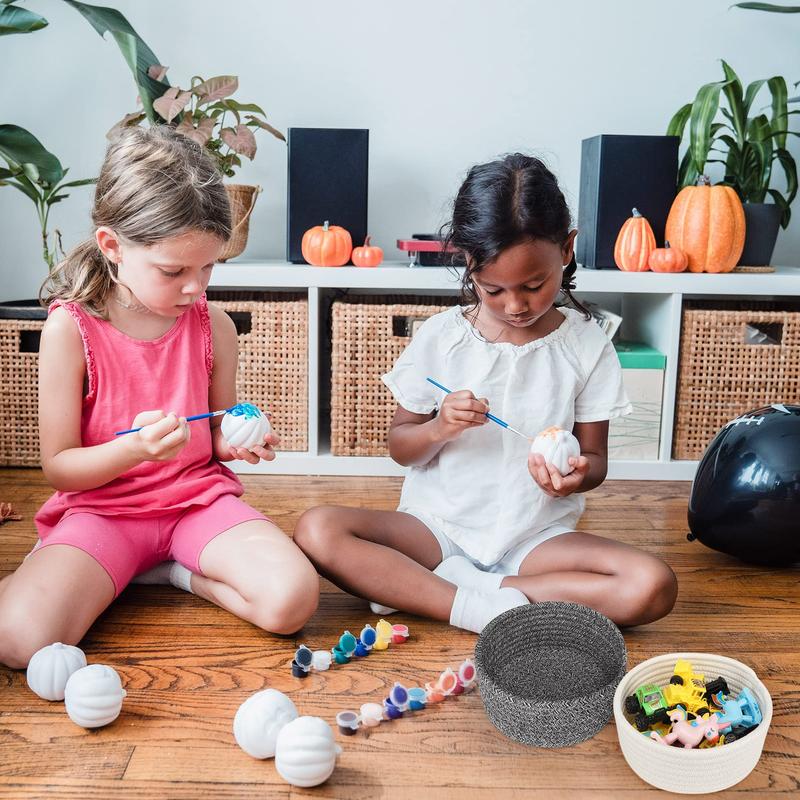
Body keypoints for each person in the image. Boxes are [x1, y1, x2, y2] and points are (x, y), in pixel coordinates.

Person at [294, 153, 677, 633]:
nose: (515, 305)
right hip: (436, 529)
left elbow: (595, 460)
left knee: (652, 584)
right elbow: (401, 448)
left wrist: (576, 476)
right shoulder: (442, 337)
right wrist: (438, 427)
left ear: (567, 249)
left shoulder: (587, 344)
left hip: (535, 539)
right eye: (492, 289)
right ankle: (474, 608)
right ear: (467, 262)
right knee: (317, 529)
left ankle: (451, 591)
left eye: (534, 285)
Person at [0, 126, 318, 669]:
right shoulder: (70, 331)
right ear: (112, 247)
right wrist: (133, 452)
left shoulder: (213, 326)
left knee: (292, 601)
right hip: (103, 512)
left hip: (195, 503)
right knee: (18, 643)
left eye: (208, 268)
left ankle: (176, 572)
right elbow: (60, 469)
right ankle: (105, 569)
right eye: (174, 272)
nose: (196, 287)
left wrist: (239, 442)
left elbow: (214, 436)